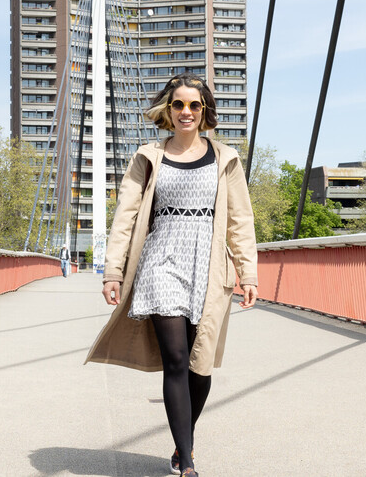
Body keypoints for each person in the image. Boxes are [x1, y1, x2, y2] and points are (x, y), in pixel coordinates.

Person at [85, 73, 258, 477]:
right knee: (176, 359)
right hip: (161, 261)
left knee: (199, 367)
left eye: (194, 105)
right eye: (179, 104)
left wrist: (248, 274)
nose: (186, 112)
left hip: (210, 266)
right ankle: (187, 462)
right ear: (169, 109)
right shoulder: (149, 157)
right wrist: (113, 270)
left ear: (204, 111)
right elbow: (125, 216)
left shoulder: (225, 158)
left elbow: (240, 221)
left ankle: (185, 441)